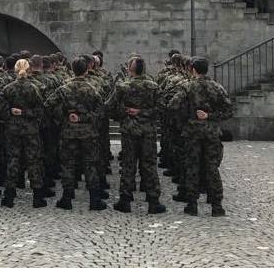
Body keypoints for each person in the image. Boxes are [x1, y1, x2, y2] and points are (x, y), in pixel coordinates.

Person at [170, 57, 233, 216]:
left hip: (193, 133)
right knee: (212, 168)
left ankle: (192, 205)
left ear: (193, 69)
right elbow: (228, 110)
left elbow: (173, 105)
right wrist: (210, 116)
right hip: (211, 133)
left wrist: (186, 118)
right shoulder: (217, 87)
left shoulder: (187, 87)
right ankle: (217, 206)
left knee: (192, 167)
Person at [46, 57, 106, 211]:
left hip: (69, 132)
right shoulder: (93, 88)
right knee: (90, 165)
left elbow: (48, 105)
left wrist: (64, 117)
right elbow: (100, 111)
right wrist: (84, 118)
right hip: (88, 133)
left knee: (68, 165)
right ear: (86, 70)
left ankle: (67, 198)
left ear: (72, 70)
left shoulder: (64, 88)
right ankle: (94, 200)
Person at [108, 57, 165, 214]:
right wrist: (145, 113)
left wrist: (123, 116)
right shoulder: (153, 87)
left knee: (128, 166)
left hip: (129, 131)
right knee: (149, 166)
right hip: (148, 131)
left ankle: (125, 201)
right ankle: (153, 202)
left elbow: (109, 107)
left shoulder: (122, 87)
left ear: (129, 69)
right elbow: (161, 108)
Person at [0, 58, 47, 208]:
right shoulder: (34, 88)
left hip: (13, 129)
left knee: (12, 161)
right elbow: (41, 110)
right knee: (34, 161)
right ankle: (37, 197)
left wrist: (10, 113)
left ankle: (9, 196)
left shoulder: (8, 88)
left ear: (15, 70)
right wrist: (26, 113)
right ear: (29, 70)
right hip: (30, 130)